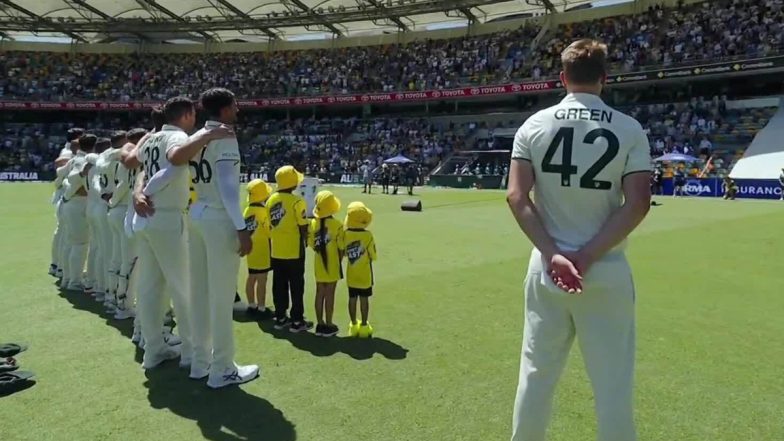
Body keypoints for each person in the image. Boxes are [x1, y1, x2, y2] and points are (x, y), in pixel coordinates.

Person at [506, 39, 651, 441]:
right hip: (604, 270)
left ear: (562, 77)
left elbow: (516, 196)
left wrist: (554, 254)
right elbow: (638, 201)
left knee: (535, 377)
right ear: (605, 78)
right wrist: (586, 256)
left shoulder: (533, 125)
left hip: (547, 270)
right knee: (613, 388)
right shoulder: (628, 128)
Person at [131, 96, 233, 371]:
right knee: (183, 287)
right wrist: (207, 135)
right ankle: (191, 353)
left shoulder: (152, 138)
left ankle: (153, 349)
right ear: (187, 114)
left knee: (150, 287)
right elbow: (176, 156)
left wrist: (138, 191)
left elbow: (139, 168)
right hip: (167, 217)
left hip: (145, 220)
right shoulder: (175, 137)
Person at [183, 88, 259, 387]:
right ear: (225, 109)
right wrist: (241, 228)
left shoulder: (197, 136)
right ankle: (223, 368)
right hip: (217, 217)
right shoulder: (225, 136)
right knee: (222, 296)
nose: (238, 111)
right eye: (235, 106)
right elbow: (228, 187)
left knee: (199, 293)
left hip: (197, 213)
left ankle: (200, 363)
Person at [267, 165, 313, 333]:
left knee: (278, 285)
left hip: (276, 249)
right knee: (296, 286)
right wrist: (306, 239)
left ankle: (280, 317)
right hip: (294, 250)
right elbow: (302, 226)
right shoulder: (297, 201)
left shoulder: (271, 200)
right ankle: (297, 320)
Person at [108, 129, 146, 320]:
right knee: (134, 264)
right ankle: (125, 306)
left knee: (128, 262)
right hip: (135, 213)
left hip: (129, 213)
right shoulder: (139, 156)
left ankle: (121, 302)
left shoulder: (126, 156)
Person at [60, 133, 96, 291]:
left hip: (69, 203)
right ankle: (74, 281)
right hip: (79, 204)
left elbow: (61, 177)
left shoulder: (73, 159)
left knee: (71, 243)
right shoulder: (84, 161)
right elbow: (79, 182)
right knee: (80, 244)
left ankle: (67, 278)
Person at [308, 191, 344, 338]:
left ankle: (320, 323)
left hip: (318, 264)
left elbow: (311, 244)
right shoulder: (337, 225)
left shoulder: (313, 224)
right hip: (333, 264)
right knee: (330, 295)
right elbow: (342, 249)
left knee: (319, 293)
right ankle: (329, 324)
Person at [50, 128, 83, 278]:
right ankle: (60, 267)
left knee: (63, 233)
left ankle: (57, 265)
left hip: (66, 195)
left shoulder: (70, 149)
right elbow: (58, 163)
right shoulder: (69, 151)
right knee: (66, 235)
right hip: (67, 195)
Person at [343, 202, 376, 338]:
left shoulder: (345, 234)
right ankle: (363, 325)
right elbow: (373, 255)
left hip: (351, 273)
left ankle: (353, 324)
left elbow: (344, 252)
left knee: (352, 298)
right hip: (365, 274)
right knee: (364, 299)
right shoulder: (368, 236)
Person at [243, 179, 274, 319]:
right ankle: (261, 308)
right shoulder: (263, 211)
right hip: (262, 249)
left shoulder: (247, 210)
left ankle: (251, 304)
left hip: (251, 248)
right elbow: (269, 231)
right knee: (262, 279)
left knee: (251, 277)